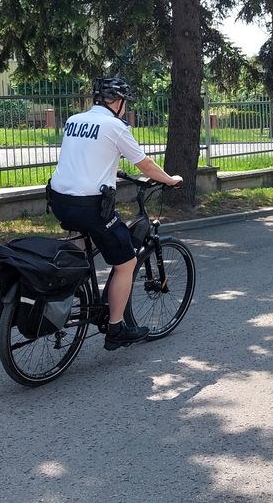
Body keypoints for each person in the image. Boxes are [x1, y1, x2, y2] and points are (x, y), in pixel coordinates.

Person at [48, 77, 183, 350]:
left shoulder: (74, 120)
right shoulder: (115, 126)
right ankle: (116, 327)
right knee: (126, 262)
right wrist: (169, 180)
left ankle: (71, 290)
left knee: (80, 250)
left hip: (59, 200)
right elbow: (145, 164)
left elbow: (86, 156)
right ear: (119, 102)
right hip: (89, 206)